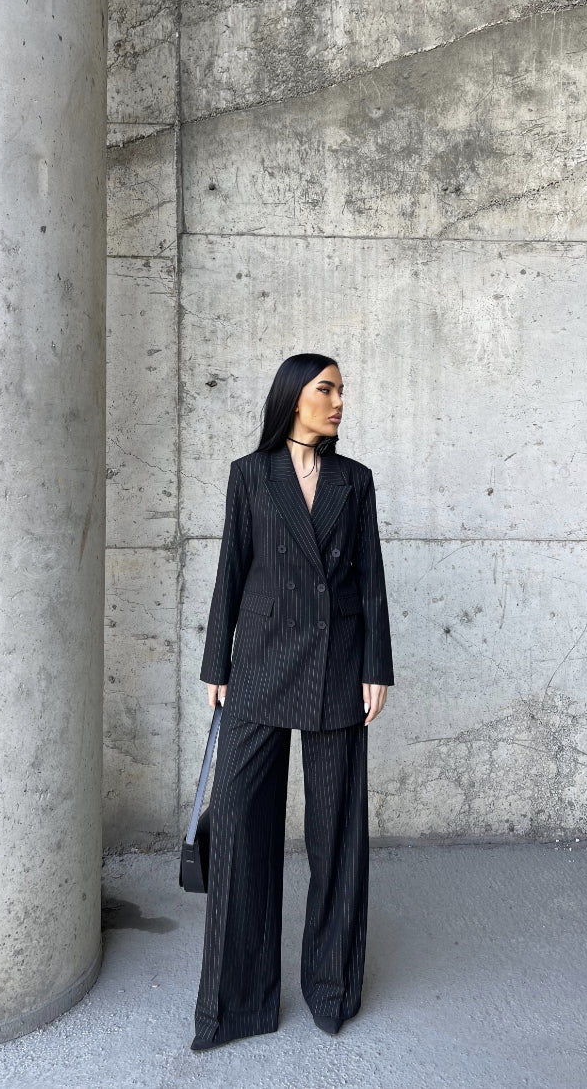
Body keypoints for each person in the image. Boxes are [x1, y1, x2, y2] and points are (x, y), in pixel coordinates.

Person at [191, 353, 394, 1051]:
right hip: (259, 662)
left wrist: (376, 665)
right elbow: (230, 570)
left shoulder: (353, 480)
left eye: (341, 391)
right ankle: (236, 1004)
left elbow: (370, 577)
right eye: (325, 389)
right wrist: (216, 662)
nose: (338, 402)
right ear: (293, 397)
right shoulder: (251, 475)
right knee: (240, 829)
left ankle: (331, 989)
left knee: (338, 836)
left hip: (338, 664)